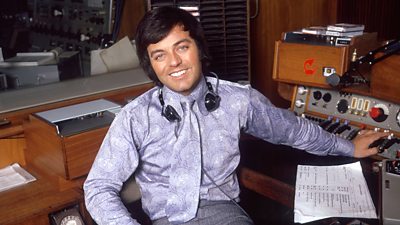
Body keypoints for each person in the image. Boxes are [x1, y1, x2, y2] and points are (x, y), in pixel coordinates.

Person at [83, 6, 387, 225]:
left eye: (182, 47)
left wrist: (348, 147)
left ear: (198, 48)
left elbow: (293, 129)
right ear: (151, 64)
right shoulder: (135, 117)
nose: (174, 62)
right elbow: (98, 187)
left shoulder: (237, 100)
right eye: (159, 55)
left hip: (223, 214)